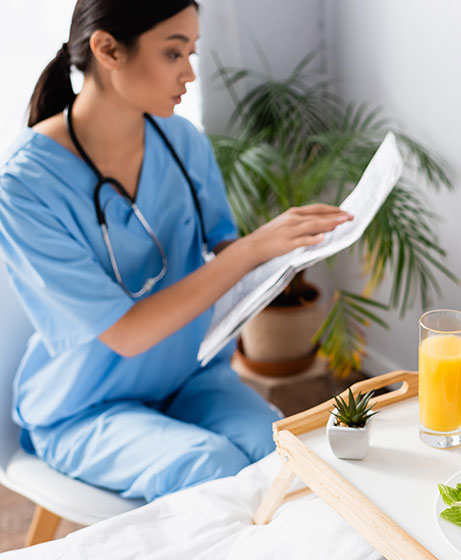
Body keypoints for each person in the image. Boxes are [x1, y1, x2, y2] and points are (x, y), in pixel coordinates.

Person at [0, 0, 352, 502]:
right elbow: (127, 333)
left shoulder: (183, 143)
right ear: (107, 50)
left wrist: (287, 253)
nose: (189, 72)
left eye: (192, 52)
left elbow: (226, 247)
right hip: (86, 407)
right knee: (212, 469)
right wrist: (252, 249)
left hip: (189, 378)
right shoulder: (25, 185)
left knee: (286, 459)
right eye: (173, 53)